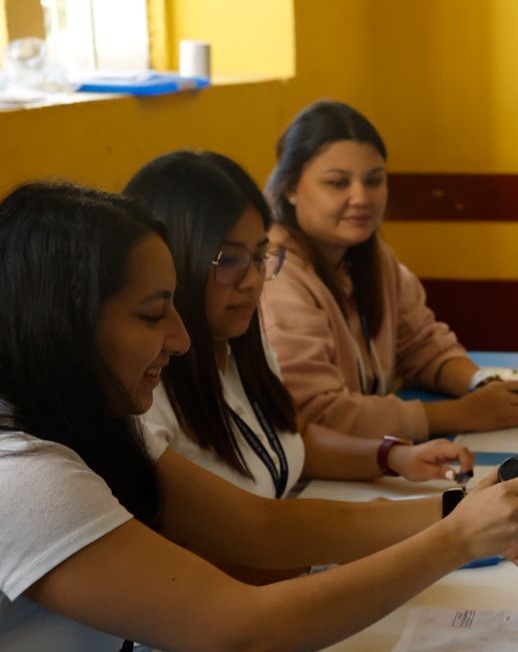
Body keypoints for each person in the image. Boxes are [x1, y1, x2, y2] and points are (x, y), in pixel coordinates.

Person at [0, 182, 518, 652]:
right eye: (152, 316)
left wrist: (456, 509)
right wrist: (455, 541)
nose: (179, 337)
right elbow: (245, 631)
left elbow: (261, 529)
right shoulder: (26, 478)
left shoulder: (93, 421)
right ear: (61, 326)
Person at [126, 150, 480, 499]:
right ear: (173, 263)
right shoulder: (146, 392)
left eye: (260, 257)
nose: (252, 280)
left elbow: (292, 436)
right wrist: (441, 524)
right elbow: (249, 530)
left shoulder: (241, 340)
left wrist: (393, 457)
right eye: (230, 259)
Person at [260, 100, 518, 441]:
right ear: (290, 188)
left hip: (372, 460)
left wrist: (480, 384)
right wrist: (460, 414)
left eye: (374, 180)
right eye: (337, 183)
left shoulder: (370, 256)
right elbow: (316, 413)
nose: (361, 198)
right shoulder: (275, 275)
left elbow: (420, 345)